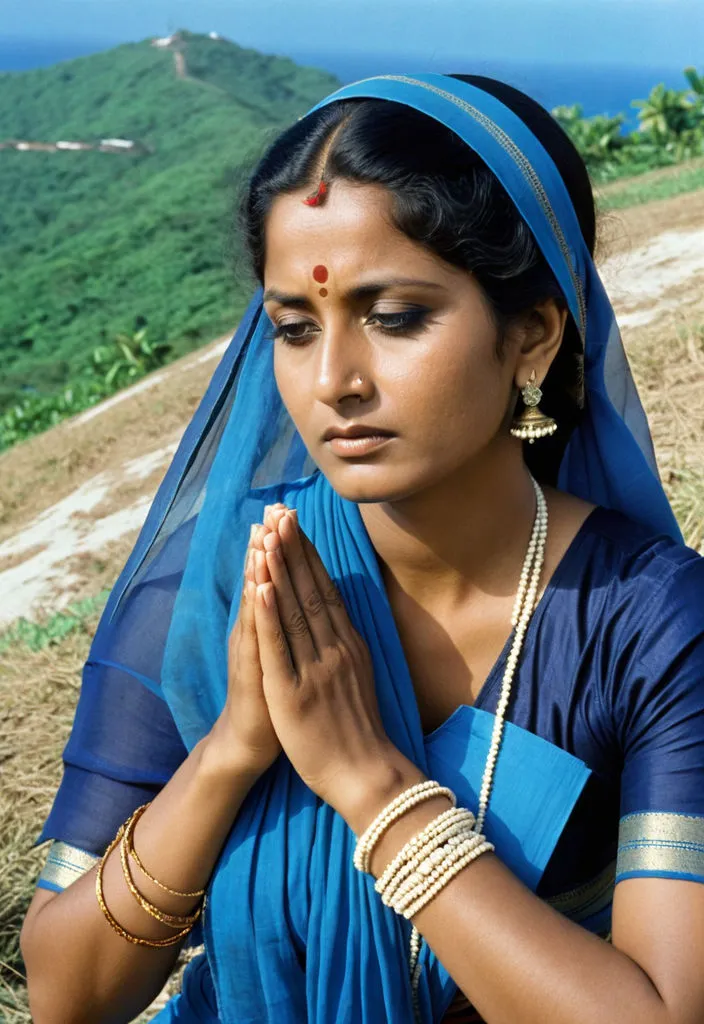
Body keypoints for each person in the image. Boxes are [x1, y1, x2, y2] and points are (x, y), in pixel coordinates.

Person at [20, 73, 704, 1024]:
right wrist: (230, 750)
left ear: (534, 336)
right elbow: (63, 994)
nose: (334, 380)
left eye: (394, 318)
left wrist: (371, 783)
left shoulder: (650, 622)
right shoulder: (211, 594)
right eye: (294, 330)